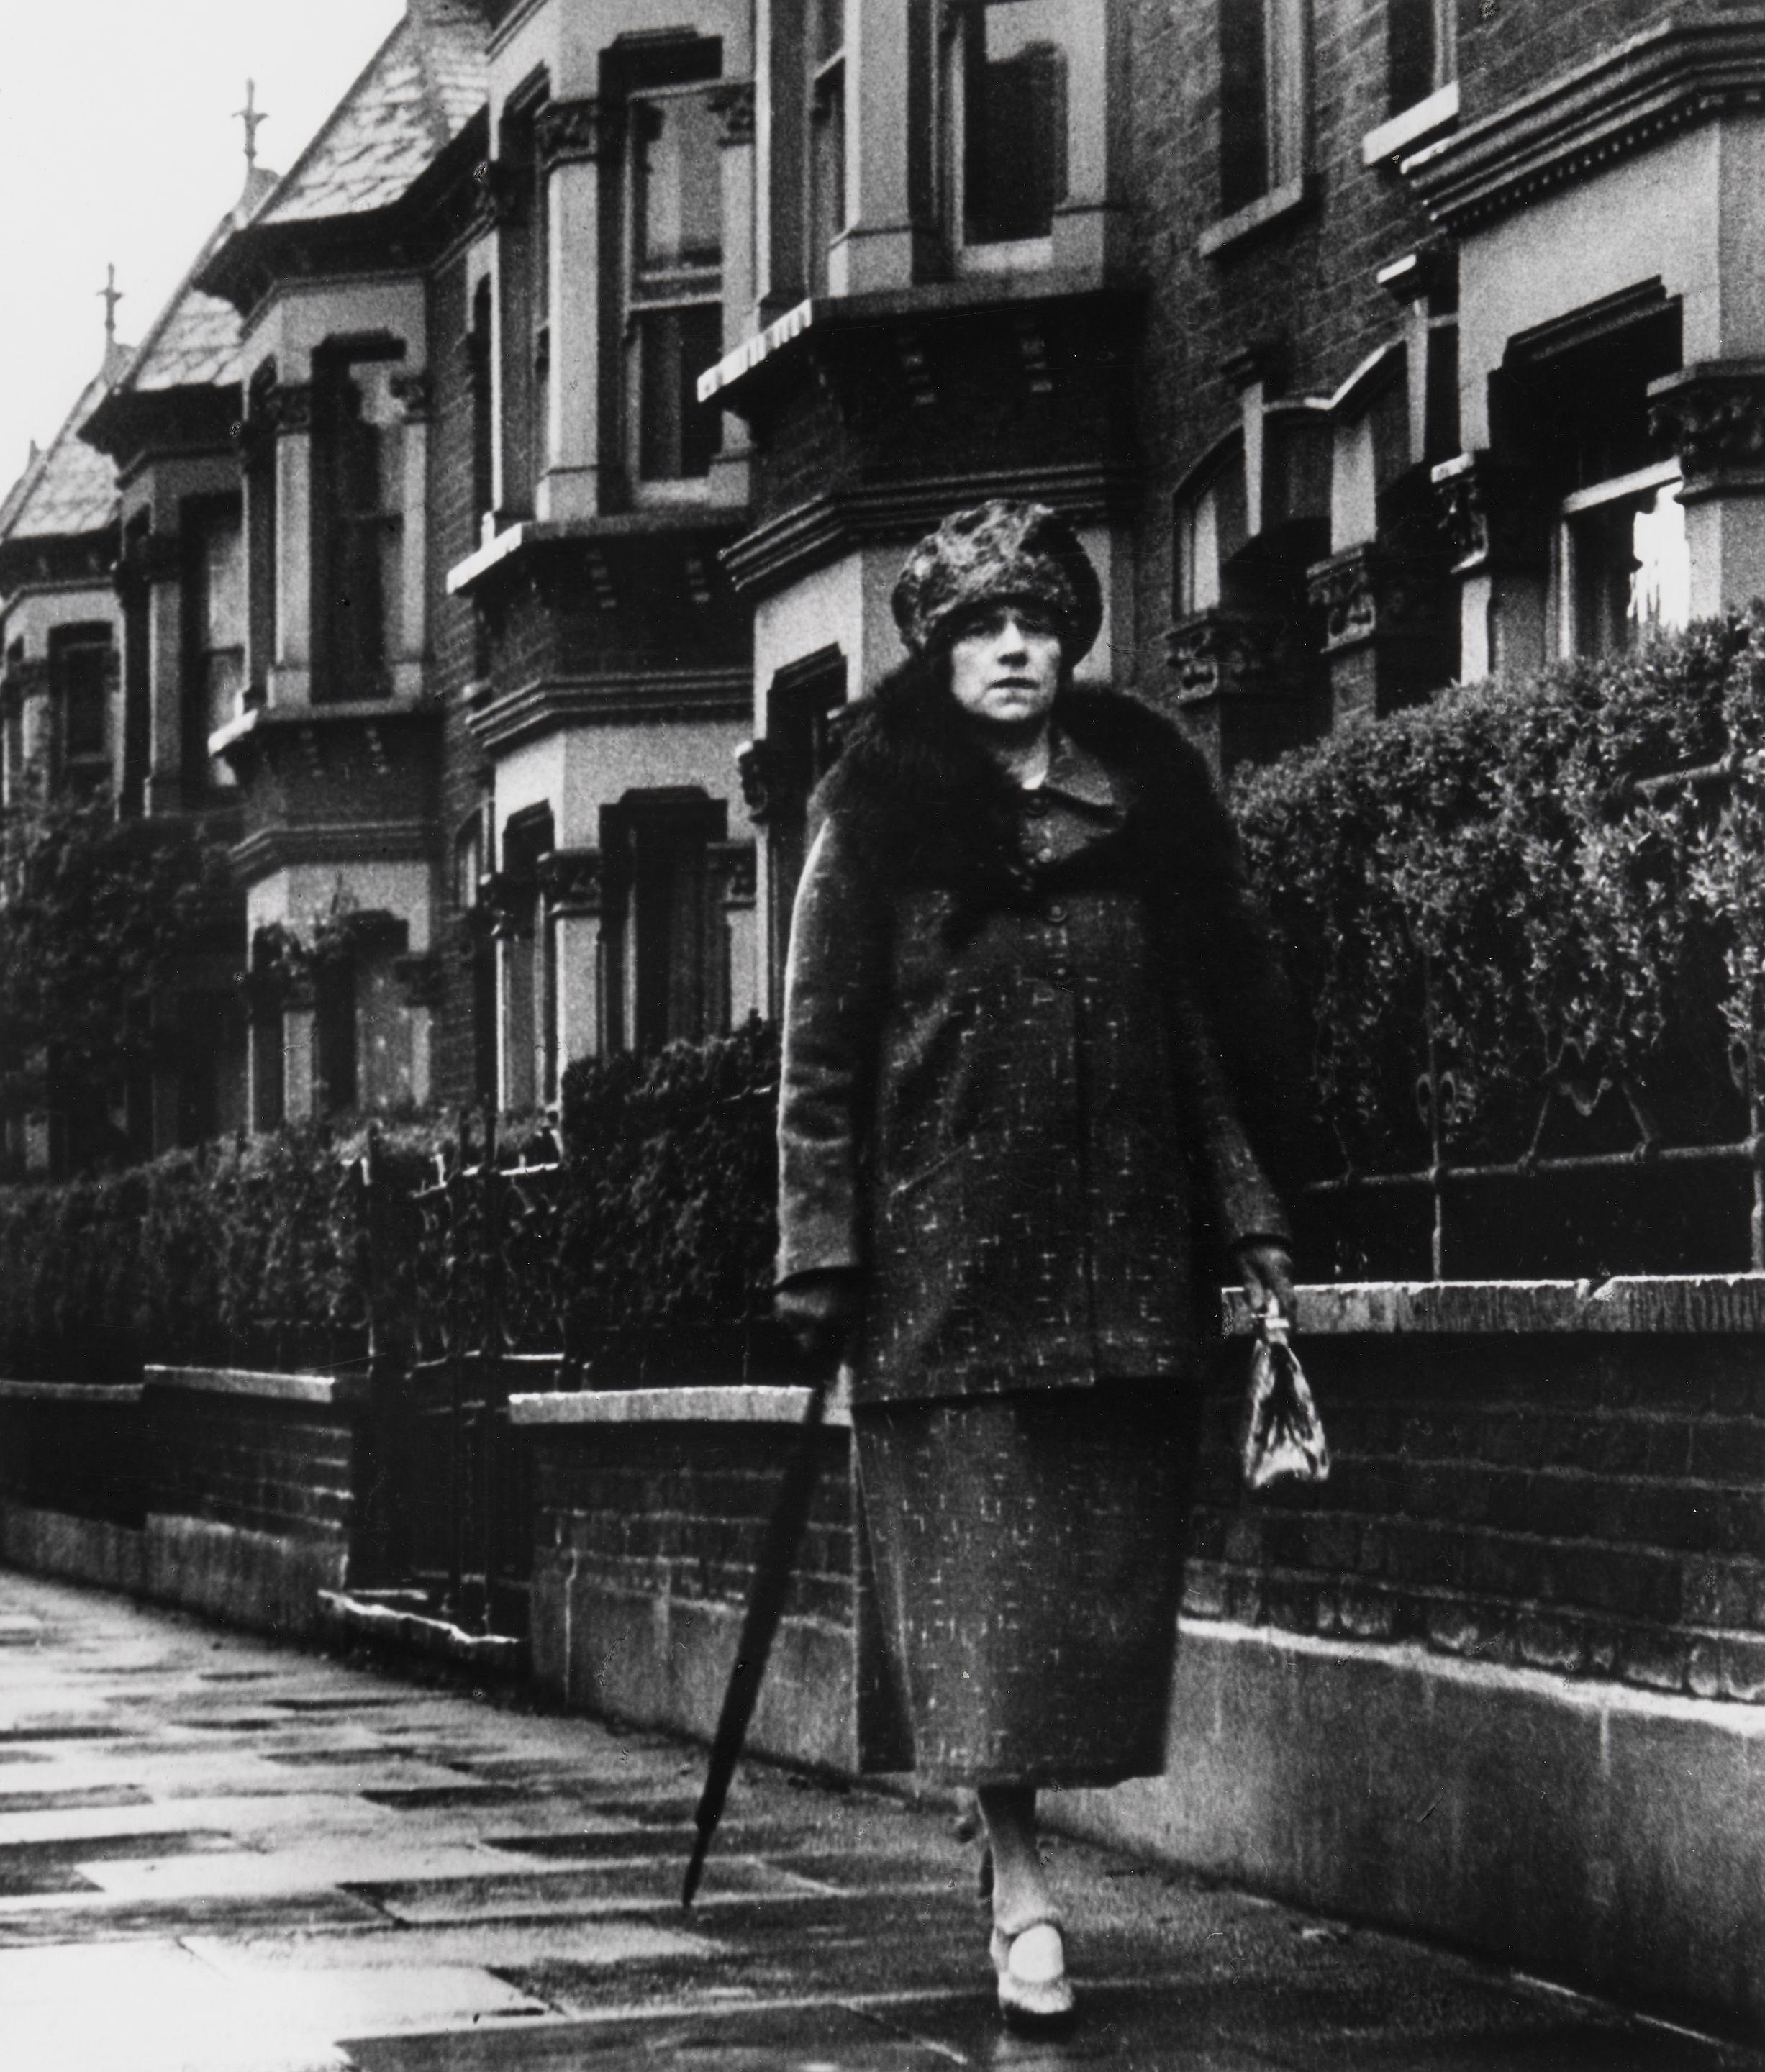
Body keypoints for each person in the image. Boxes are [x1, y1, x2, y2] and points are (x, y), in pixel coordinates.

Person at [773, 500, 1294, 2030]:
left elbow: (1204, 1036)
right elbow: (818, 1056)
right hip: (948, 1275)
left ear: (1069, 640)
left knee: (1084, 1604)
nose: (1015, 649)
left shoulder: (1145, 809)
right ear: (937, 655)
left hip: (1122, 1264)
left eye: (1038, 625)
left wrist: (1255, 1222)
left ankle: (1004, 1819)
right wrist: (822, 1255)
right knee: (982, 1600)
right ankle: (1017, 1885)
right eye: (981, 630)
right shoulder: (874, 816)